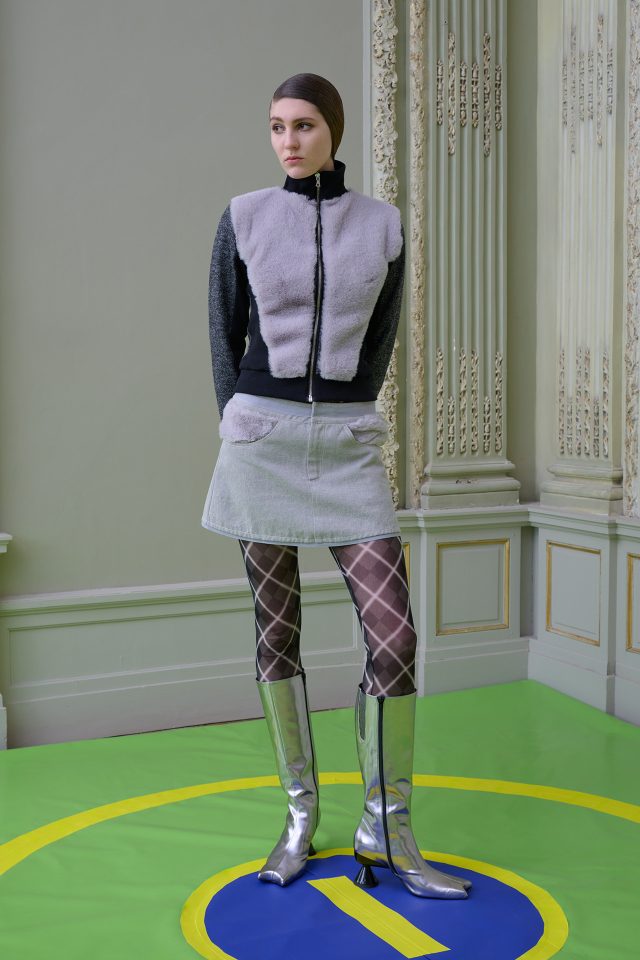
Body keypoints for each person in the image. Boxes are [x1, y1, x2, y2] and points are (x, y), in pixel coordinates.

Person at [201, 73, 470, 900]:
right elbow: (223, 334)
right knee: (275, 634)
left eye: (305, 125)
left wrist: (346, 411)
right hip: (262, 442)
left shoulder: (382, 225)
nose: (289, 141)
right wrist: (242, 421)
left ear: (335, 131)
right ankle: (298, 816)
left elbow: (381, 340)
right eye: (277, 126)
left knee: (395, 638)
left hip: (348, 449)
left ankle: (386, 828)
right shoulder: (244, 217)